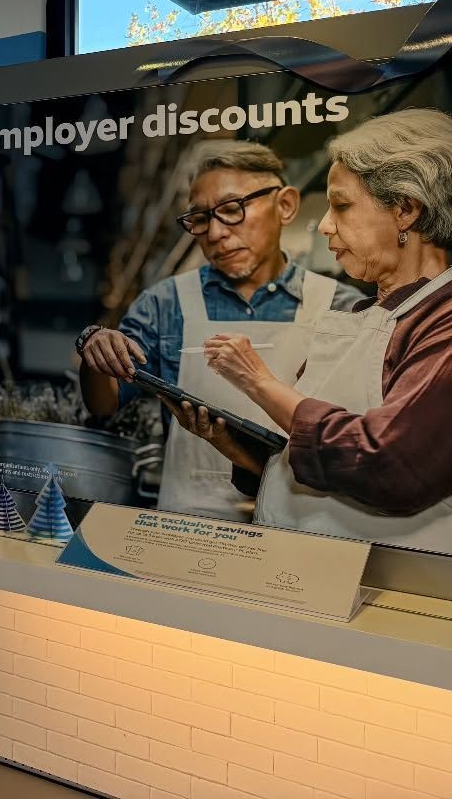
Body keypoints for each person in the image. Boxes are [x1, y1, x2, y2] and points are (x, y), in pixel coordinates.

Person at [181, 108, 452, 550]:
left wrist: (259, 382)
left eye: (341, 205)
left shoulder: (442, 322)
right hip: (306, 579)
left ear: (406, 209)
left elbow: (388, 462)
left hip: (384, 591)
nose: (323, 224)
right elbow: (316, 461)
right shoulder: (368, 317)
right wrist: (245, 453)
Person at [78, 141, 358, 519]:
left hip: (299, 524)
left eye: (231, 209)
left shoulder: (341, 307)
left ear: (285, 205)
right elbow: (104, 403)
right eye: (200, 219)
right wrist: (95, 351)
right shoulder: (165, 304)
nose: (214, 232)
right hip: (190, 524)